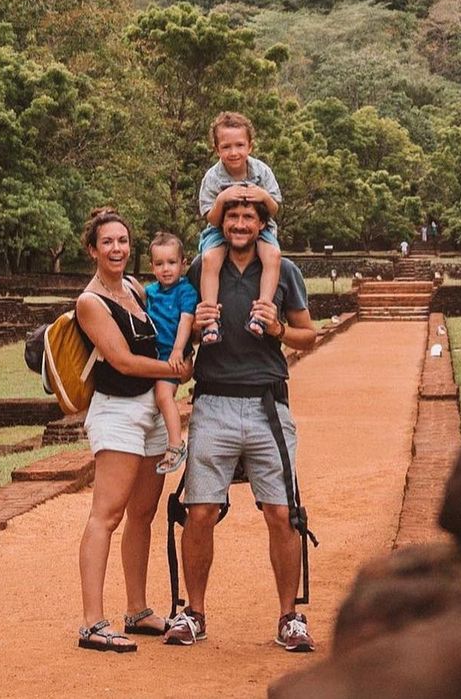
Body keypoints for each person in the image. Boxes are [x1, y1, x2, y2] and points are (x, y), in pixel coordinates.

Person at [164, 196, 318, 653]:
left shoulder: (283, 271)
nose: (240, 223)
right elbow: (181, 331)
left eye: (249, 216)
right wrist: (193, 331)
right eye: (232, 216)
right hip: (213, 402)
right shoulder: (201, 268)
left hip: (267, 404)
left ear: (261, 224)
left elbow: (309, 335)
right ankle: (195, 612)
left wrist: (278, 331)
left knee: (281, 512)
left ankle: (289, 615)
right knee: (200, 510)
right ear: (221, 221)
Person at [75, 207, 193, 654]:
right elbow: (122, 360)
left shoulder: (132, 288)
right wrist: (173, 369)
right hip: (117, 412)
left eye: (122, 240)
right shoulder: (91, 301)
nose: (117, 248)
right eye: (108, 242)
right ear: (92, 249)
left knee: (142, 513)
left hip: (147, 408)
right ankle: (91, 623)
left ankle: (138, 609)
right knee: (106, 515)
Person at [197, 111, 283, 343]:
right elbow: (211, 219)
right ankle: (210, 318)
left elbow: (274, 208)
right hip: (220, 229)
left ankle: (262, 313)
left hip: (260, 227)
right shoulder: (212, 178)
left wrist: (263, 196)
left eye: (239, 145)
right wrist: (222, 199)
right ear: (217, 149)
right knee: (209, 259)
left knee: (273, 256)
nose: (233, 152)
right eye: (226, 147)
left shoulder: (262, 172)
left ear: (250, 146)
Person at [143, 230, 198, 475]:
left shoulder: (185, 291)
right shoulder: (150, 292)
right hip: (152, 354)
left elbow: (186, 320)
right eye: (160, 264)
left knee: (164, 396)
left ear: (183, 264)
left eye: (172, 263)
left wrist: (178, 351)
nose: (166, 269)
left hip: (171, 355)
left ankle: (176, 444)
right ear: (152, 266)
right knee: (155, 398)